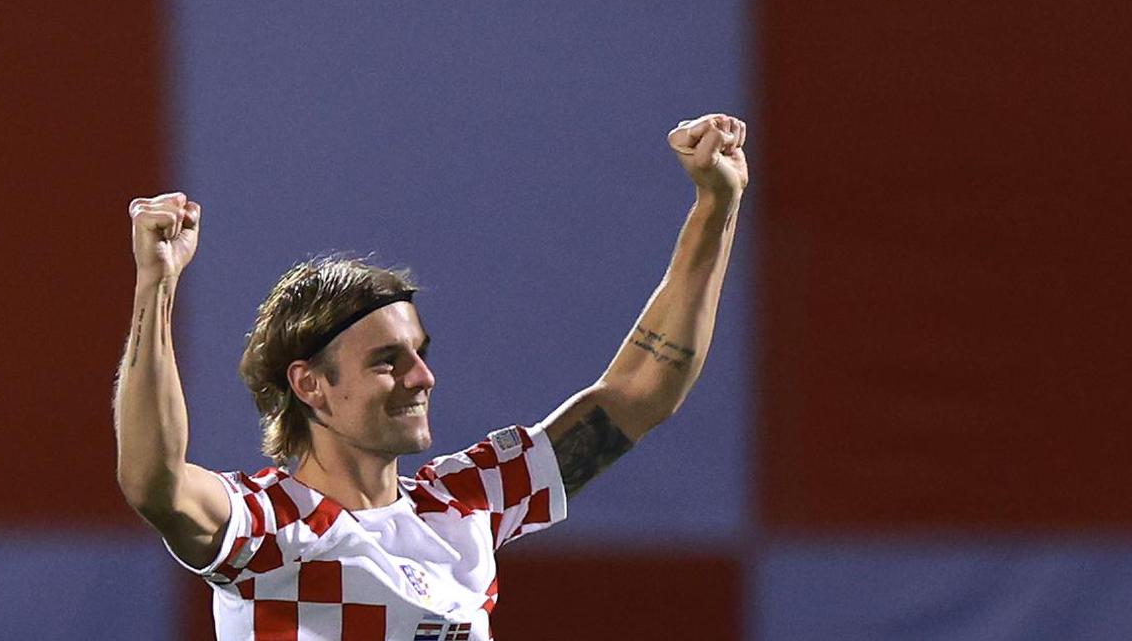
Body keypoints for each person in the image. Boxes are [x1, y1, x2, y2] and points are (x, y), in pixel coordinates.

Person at [113, 113, 747, 640]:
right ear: (309, 385)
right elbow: (153, 481)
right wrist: (156, 284)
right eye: (387, 361)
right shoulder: (267, 526)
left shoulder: (467, 502)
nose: (422, 377)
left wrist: (716, 204)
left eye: (419, 352)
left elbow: (638, 394)